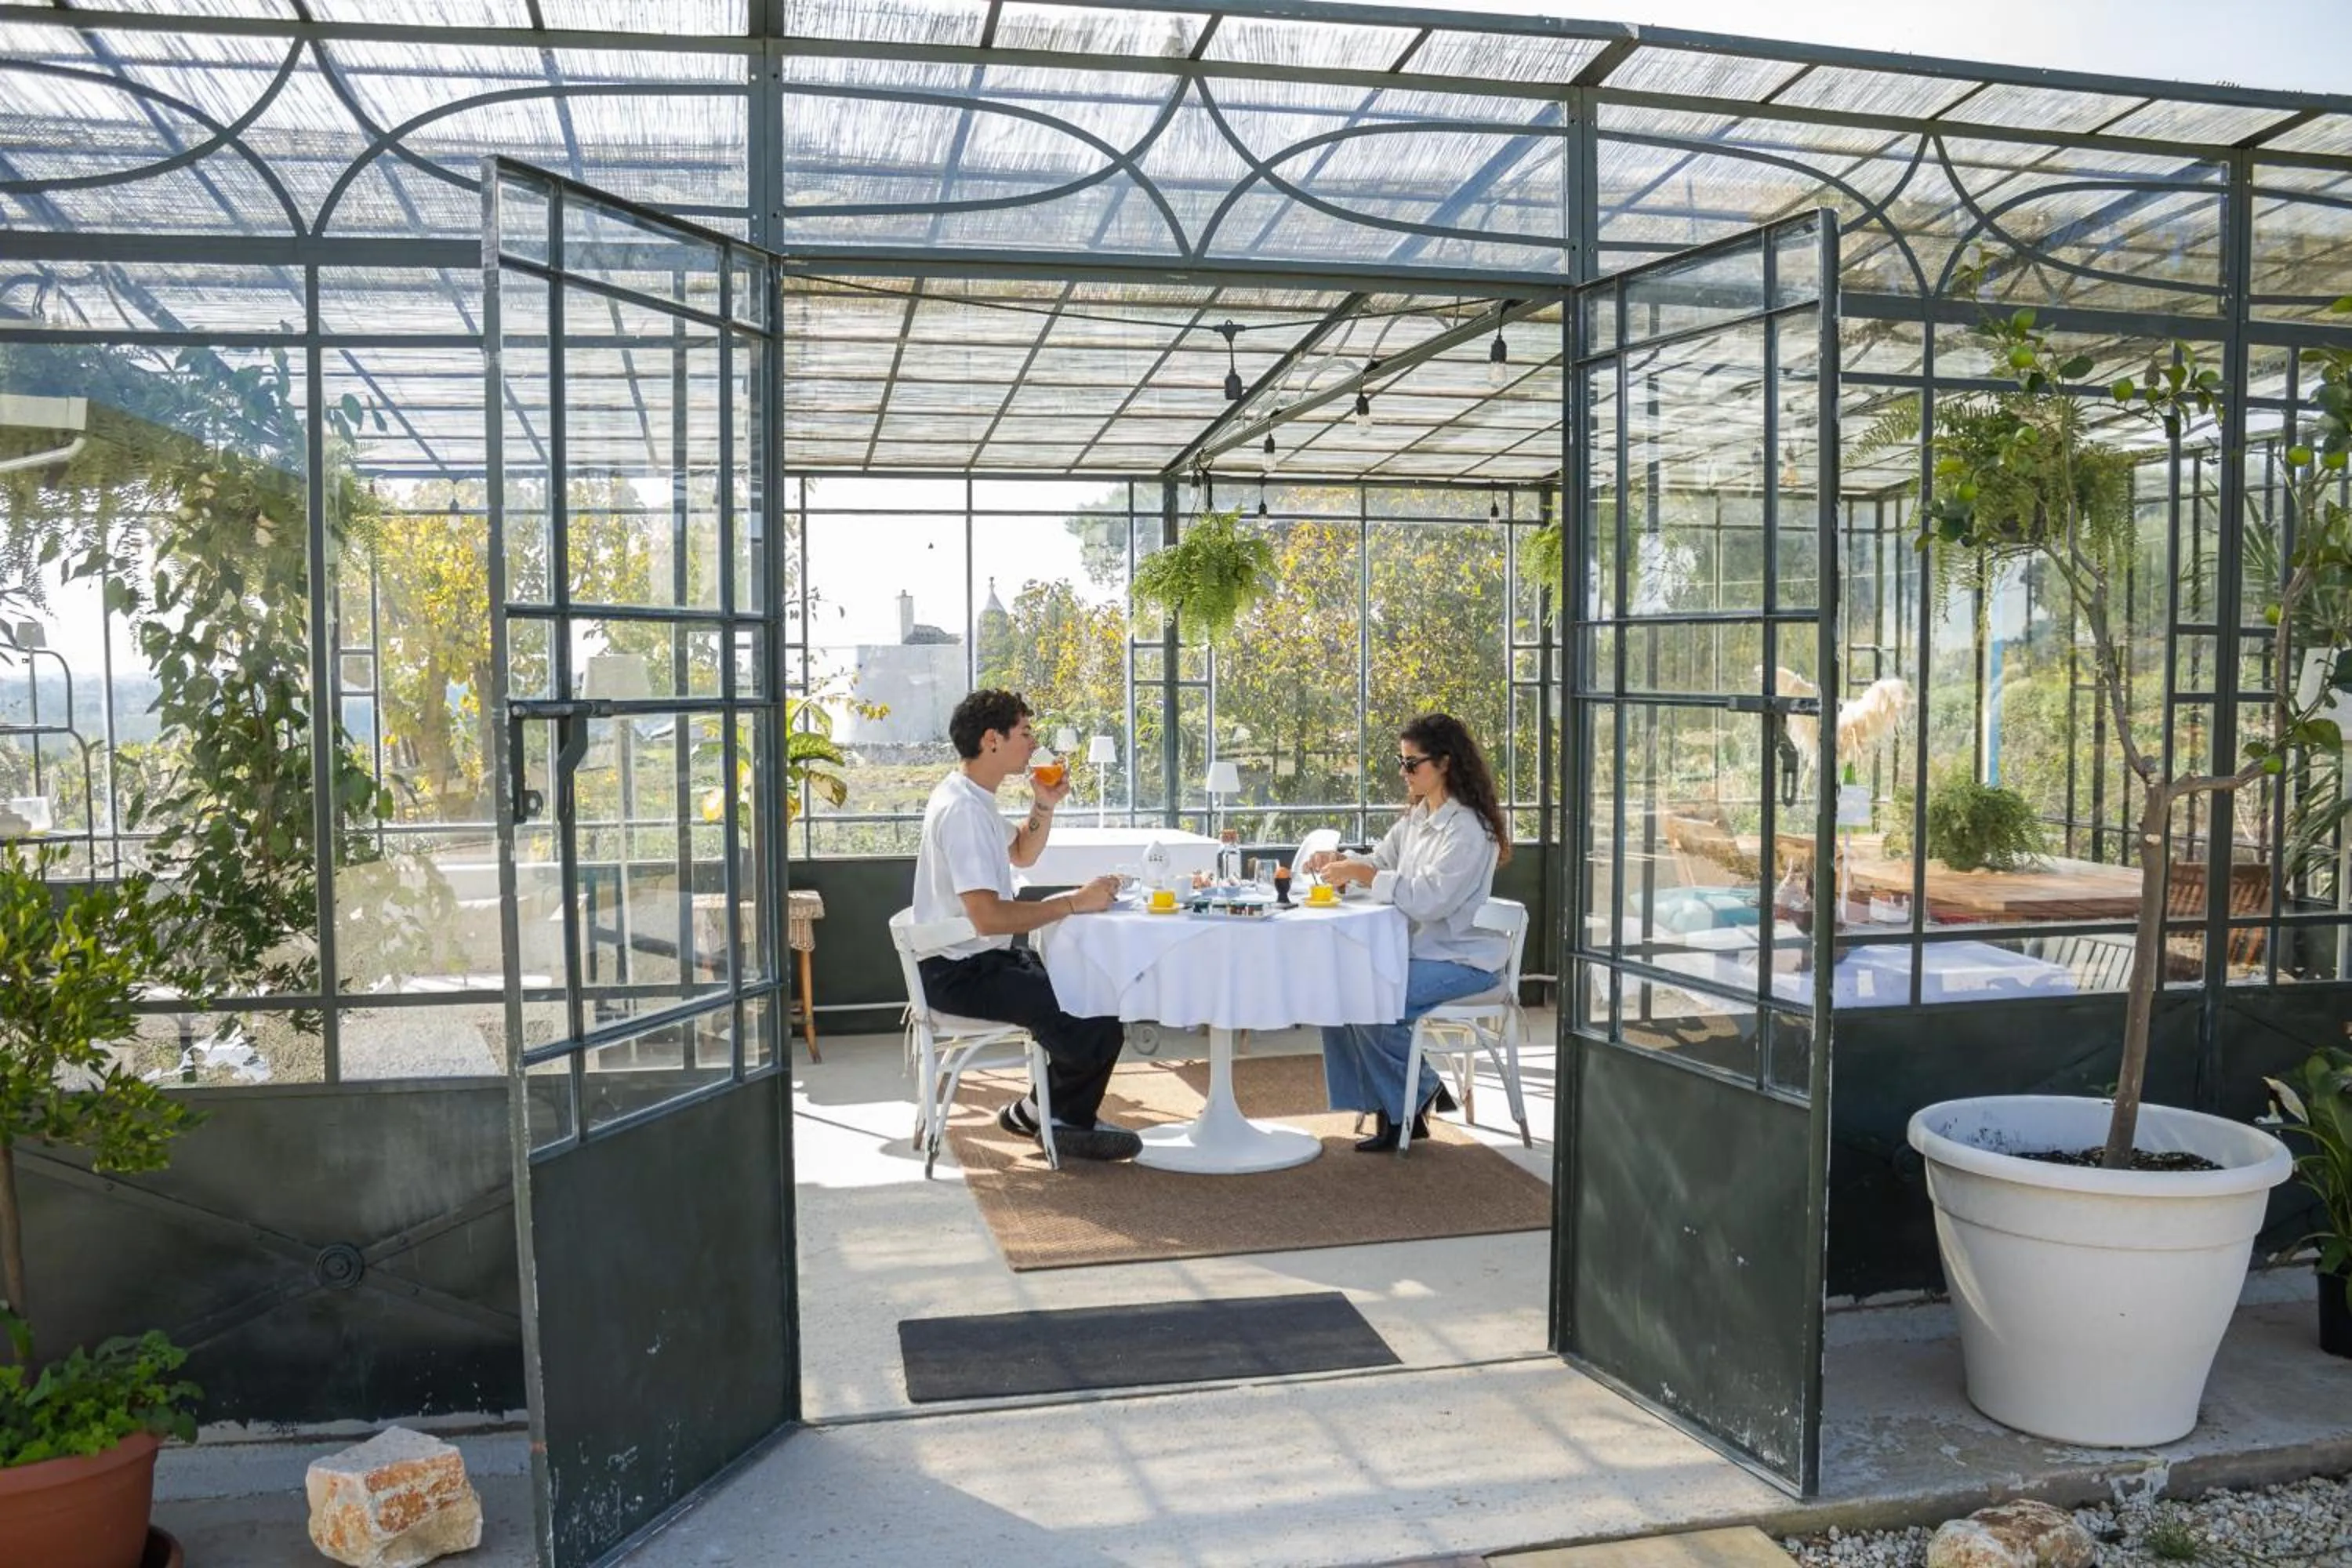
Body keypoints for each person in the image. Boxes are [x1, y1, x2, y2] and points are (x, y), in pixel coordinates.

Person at [909, 688, 1142, 1163]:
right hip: (960, 973)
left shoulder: (972, 798)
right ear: (992, 739)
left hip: (973, 961)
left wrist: (1044, 804)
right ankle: (1060, 1120)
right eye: (1026, 733)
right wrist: (1074, 903)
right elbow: (989, 917)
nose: (1034, 745)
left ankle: (1041, 1112)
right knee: (1091, 1012)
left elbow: (1021, 853)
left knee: (1092, 987)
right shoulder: (963, 812)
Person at [1303, 713, 1510, 1153]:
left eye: (1412, 763)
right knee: (1339, 991)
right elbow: (1380, 862)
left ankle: (1410, 1102)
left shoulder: (1470, 830)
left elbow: (1430, 899)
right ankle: (1405, 1103)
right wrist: (1340, 860)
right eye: (1401, 762)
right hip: (1421, 953)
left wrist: (1363, 873)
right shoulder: (1419, 818)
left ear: (1446, 763)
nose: (1404, 772)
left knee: (1369, 995)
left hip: (1464, 962)